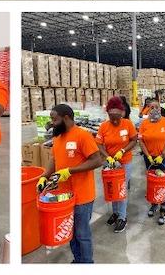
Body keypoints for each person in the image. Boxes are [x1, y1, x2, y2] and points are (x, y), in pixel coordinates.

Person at [37, 104, 102, 264]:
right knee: (70, 232)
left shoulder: (82, 135)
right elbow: (55, 159)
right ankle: (77, 260)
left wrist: (70, 171)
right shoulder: (57, 137)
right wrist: (44, 176)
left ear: (66, 118)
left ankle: (87, 263)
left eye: (54, 119)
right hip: (64, 196)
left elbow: (97, 160)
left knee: (82, 233)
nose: (52, 123)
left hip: (82, 196)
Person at [95, 95, 138, 233]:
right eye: (111, 117)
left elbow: (134, 140)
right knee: (112, 188)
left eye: (117, 117)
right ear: (108, 114)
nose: (114, 120)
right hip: (110, 163)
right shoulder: (104, 126)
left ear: (122, 114)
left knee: (121, 189)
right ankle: (115, 212)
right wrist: (108, 157)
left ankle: (122, 217)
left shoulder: (127, 124)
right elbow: (99, 144)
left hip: (125, 162)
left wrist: (123, 150)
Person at [137, 97, 165, 225]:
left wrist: (162, 155)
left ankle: (163, 207)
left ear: (160, 108)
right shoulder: (144, 123)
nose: (154, 109)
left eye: (156, 107)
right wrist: (147, 156)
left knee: (163, 182)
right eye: (151, 107)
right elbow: (140, 140)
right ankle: (154, 203)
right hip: (149, 158)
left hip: (163, 157)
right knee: (152, 182)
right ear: (148, 109)